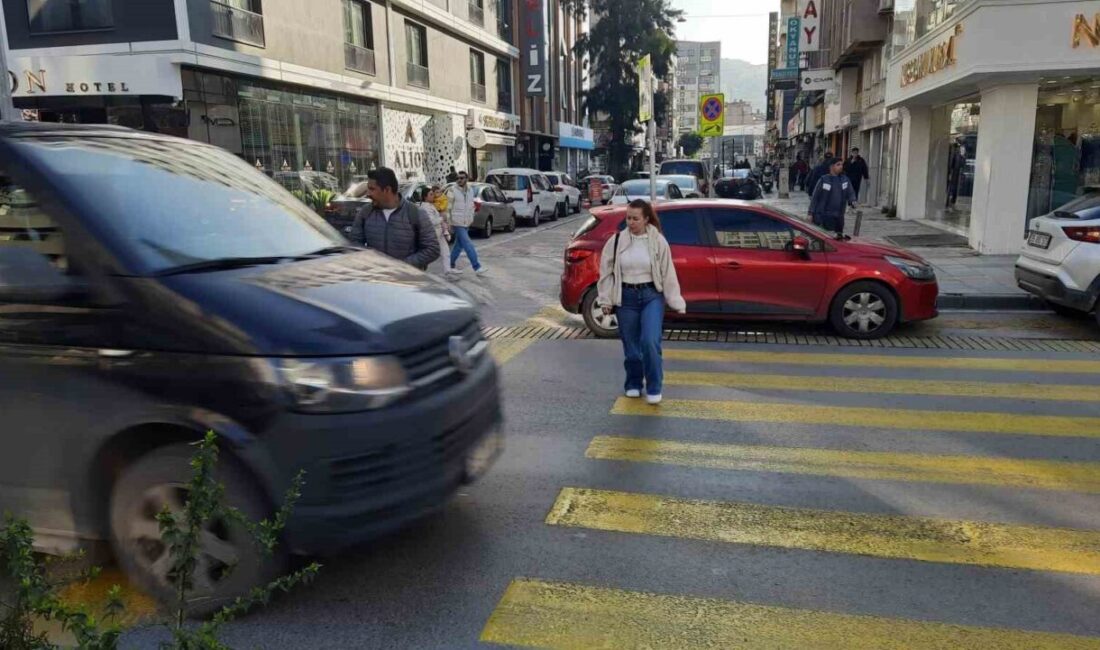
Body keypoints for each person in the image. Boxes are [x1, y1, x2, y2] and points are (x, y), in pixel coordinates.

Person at [597, 199, 686, 406]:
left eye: (635, 218)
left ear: (646, 219)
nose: (631, 222)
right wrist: (605, 299)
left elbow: (667, 272)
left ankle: (654, 387)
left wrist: (675, 300)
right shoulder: (617, 241)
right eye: (628, 218)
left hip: (651, 296)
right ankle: (633, 384)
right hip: (625, 298)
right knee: (631, 348)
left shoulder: (658, 241)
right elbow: (606, 273)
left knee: (650, 341)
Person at [349, 167, 439, 270]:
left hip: (407, 282)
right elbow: (355, 244)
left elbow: (432, 249)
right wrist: (372, 263)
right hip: (376, 280)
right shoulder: (365, 212)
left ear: (387, 189)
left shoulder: (415, 213)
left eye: (372, 189)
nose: (368, 194)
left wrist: (402, 266)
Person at [446, 170, 487, 276]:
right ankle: (476, 267)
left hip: (467, 222)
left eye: (462, 178)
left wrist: (472, 216)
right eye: (458, 178)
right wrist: (449, 222)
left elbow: (471, 205)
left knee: (458, 246)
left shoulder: (471, 190)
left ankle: (450, 265)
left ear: (466, 179)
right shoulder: (452, 190)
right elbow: (448, 208)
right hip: (457, 222)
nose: (459, 180)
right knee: (468, 243)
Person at [809, 157, 857, 235]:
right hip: (825, 216)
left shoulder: (845, 180)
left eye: (842, 164)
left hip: (839, 216)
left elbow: (850, 192)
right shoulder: (824, 180)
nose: (841, 166)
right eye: (838, 165)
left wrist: (853, 200)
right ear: (831, 167)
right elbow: (815, 198)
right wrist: (810, 213)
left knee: (839, 237)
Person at [420, 185, 450, 275]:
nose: (433, 196)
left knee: (445, 251)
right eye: (431, 194)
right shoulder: (425, 207)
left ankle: (447, 270)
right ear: (425, 197)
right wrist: (442, 218)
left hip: (438, 232)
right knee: (430, 254)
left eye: (433, 194)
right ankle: (420, 269)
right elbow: (432, 221)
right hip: (433, 233)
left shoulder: (431, 205)